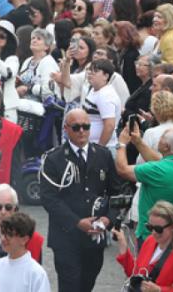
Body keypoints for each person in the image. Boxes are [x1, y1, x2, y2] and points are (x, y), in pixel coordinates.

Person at [40, 108, 123, 292]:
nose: (82, 132)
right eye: (76, 127)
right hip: (66, 236)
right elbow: (49, 199)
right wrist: (77, 222)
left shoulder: (103, 155)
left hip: (95, 237)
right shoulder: (54, 159)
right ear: (66, 128)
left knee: (87, 284)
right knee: (70, 286)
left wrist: (108, 219)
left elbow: (116, 193)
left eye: (86, 126)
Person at [116, 124, 173, 245]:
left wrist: (121, 144)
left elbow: (123, 170)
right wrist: (138, 142)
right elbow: (158, 160)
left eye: (162, 137)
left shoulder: (156, 170)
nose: (159, 139)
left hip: (152, 236)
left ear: (166, 147)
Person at [113, 200, 173, 292]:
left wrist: (159, 290)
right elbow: (135, 274)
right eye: (150, 227)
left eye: (158, 229)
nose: (153, 232)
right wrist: (123, 246)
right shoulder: (150, 241)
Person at [0, 214, 51, 292]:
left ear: (24, 239)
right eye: (2, 233)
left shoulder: (37, 273)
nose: (3, 239)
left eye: (9, 235)